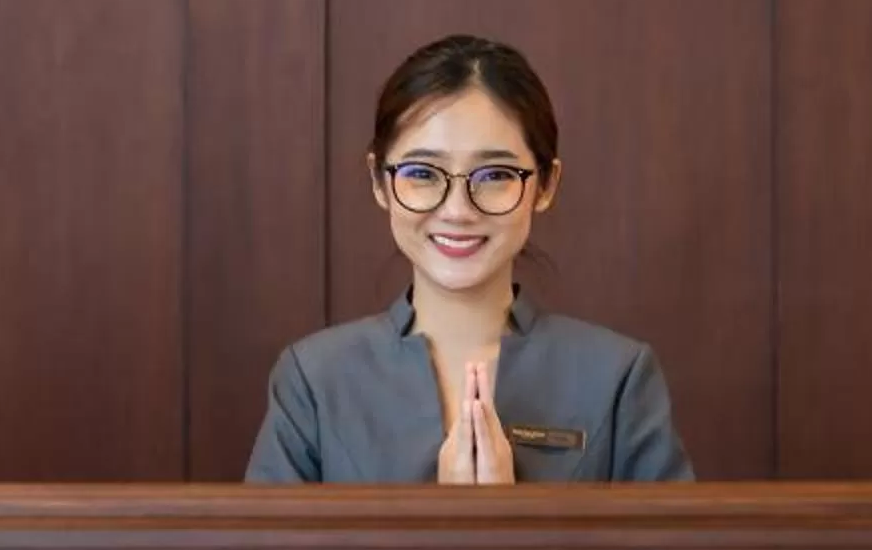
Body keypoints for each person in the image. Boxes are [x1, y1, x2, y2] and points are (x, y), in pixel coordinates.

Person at [248, 33, 691, 484]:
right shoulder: (314, 380)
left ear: (545, 185)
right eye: (422, 173)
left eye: (495, 174)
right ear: (380, 182)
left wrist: (506, 519)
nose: (458, 209)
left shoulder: (618, 376)